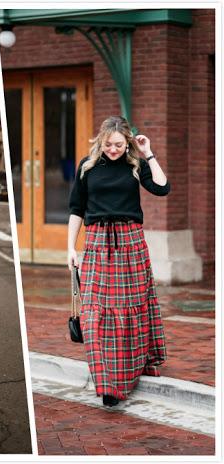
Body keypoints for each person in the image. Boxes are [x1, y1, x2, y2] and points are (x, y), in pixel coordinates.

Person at [67, 115, 170, 407]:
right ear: (101, 141)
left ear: (127, 143)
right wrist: (71, 248)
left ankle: (129, 370)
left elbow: (163, 188)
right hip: (98, 242)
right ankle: (107, 382)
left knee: (132, 308)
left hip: (130, 243)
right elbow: (77, 209)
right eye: (109, 144)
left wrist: (147, 153)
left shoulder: (135, 165)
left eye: (119, 145)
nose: (113, 150)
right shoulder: (87, 166)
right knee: (93, 312)